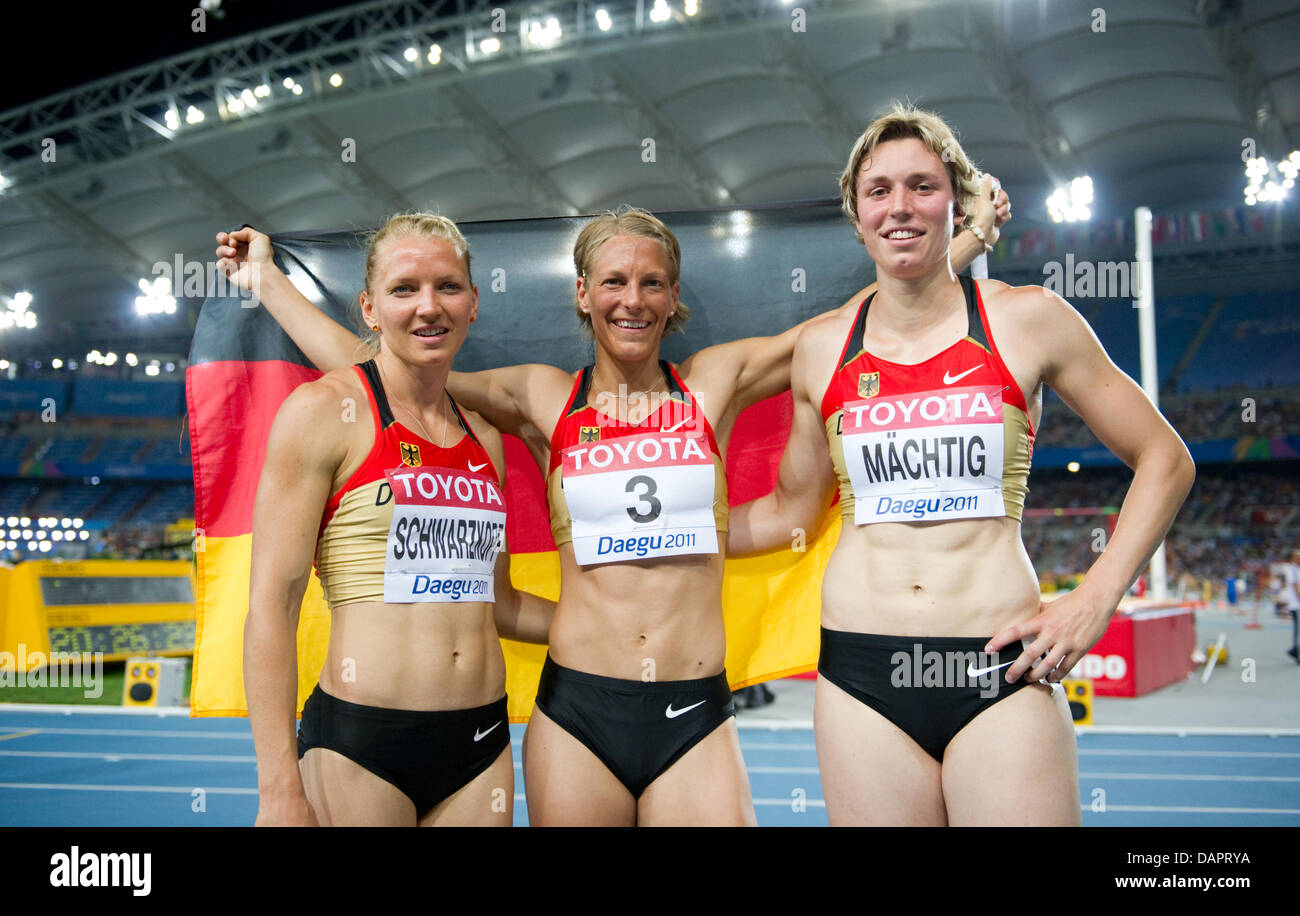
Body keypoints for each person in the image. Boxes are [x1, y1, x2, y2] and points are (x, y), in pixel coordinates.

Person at [216, 192, 1006, 825]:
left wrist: (955, 248)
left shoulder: (712, 382)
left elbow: (838, 334)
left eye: (652, 282)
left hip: (696, 704)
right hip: (578, 710)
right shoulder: (540, 398)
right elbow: (386, 370)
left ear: (672, 297)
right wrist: (270, 287)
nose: (634, 300)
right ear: (584, 295)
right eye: (615, 283)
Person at [728, 102, 1195, 826]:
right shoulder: (822, 349)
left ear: (959, 198)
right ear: (856, 215)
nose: (900, 207)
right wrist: (679, 534)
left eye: (922, 185)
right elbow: (791, 510)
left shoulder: (1027, 319)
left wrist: (1097, 598)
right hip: (861, 681)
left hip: (998, 668)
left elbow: (1164, 457)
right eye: (878, 191)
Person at [223, 213, 553, 826]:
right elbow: (273, 604)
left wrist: (616, 631)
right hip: (359, 745)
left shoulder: (486, 436)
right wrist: (278, 790)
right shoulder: (324, 413)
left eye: (448, 287)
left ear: (474, 302)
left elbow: (499, 604)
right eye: (404, 290)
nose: (429, 307)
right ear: (370, 309)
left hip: (481, 746)